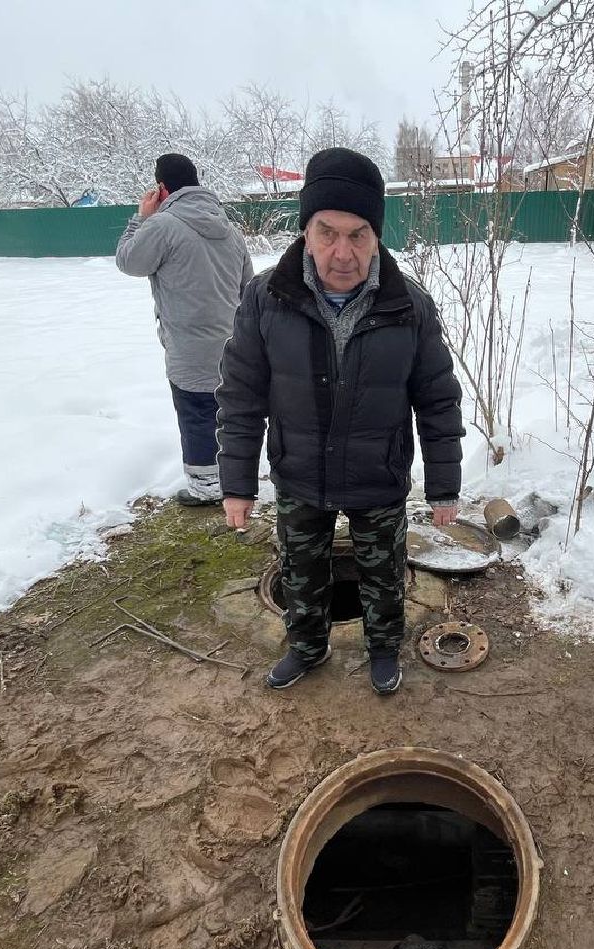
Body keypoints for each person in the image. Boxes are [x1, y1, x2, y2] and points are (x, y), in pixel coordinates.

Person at [215, 147, 464, 696]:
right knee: (303, 573)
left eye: (359, 235)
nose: (342, 252)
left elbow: (438, 400)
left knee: (382, 576)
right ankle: (307, 646)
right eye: (328, 232)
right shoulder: (265, 298)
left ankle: (382, 649)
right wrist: (236, 482)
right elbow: (241, 394)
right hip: (301, 473)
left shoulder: (410, 307)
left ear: (377, 237)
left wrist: (445, 484)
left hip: (379, 476)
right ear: (306, 230)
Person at [117, 153, 253, 505]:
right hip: (231, 342)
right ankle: (231, 478)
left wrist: (139, 220)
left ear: (162, 188)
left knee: (195, 413)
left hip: (188, 345)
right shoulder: (230, 229)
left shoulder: (162, 226)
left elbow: (129, 261)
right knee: (226, 413)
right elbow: (247, 286)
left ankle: (206, 488)